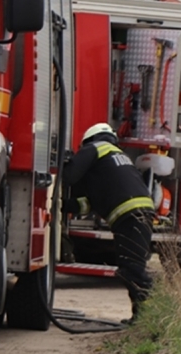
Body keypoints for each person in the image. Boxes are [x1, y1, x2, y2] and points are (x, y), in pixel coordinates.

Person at [62, 122, 156, 322]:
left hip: (129, 216)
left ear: (89, 140)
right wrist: (64, 205)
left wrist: (66, 162)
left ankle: (156, 312)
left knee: (132, 269)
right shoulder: (115, 159)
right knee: (129, 267)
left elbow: (68, 176)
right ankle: (142, 317)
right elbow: (89, 204)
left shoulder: (95, 148)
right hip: (141, 214)